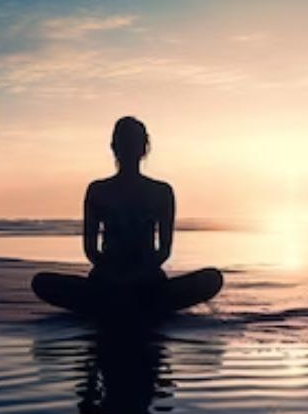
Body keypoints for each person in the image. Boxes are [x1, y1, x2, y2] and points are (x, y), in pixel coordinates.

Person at [31, 116, 223, 321]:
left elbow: (164, 251)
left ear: (142, 149)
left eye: (132, 144)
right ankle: (131, 304)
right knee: (41, 282)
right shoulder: (98, 190)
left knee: (212, 278)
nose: (129, 150)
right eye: (126, 144)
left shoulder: (161, 192)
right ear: (115, 147)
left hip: (147, 282)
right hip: (107, 281)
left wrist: (138, 273)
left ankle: (120, 304)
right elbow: (91, 250)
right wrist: (115, 274)